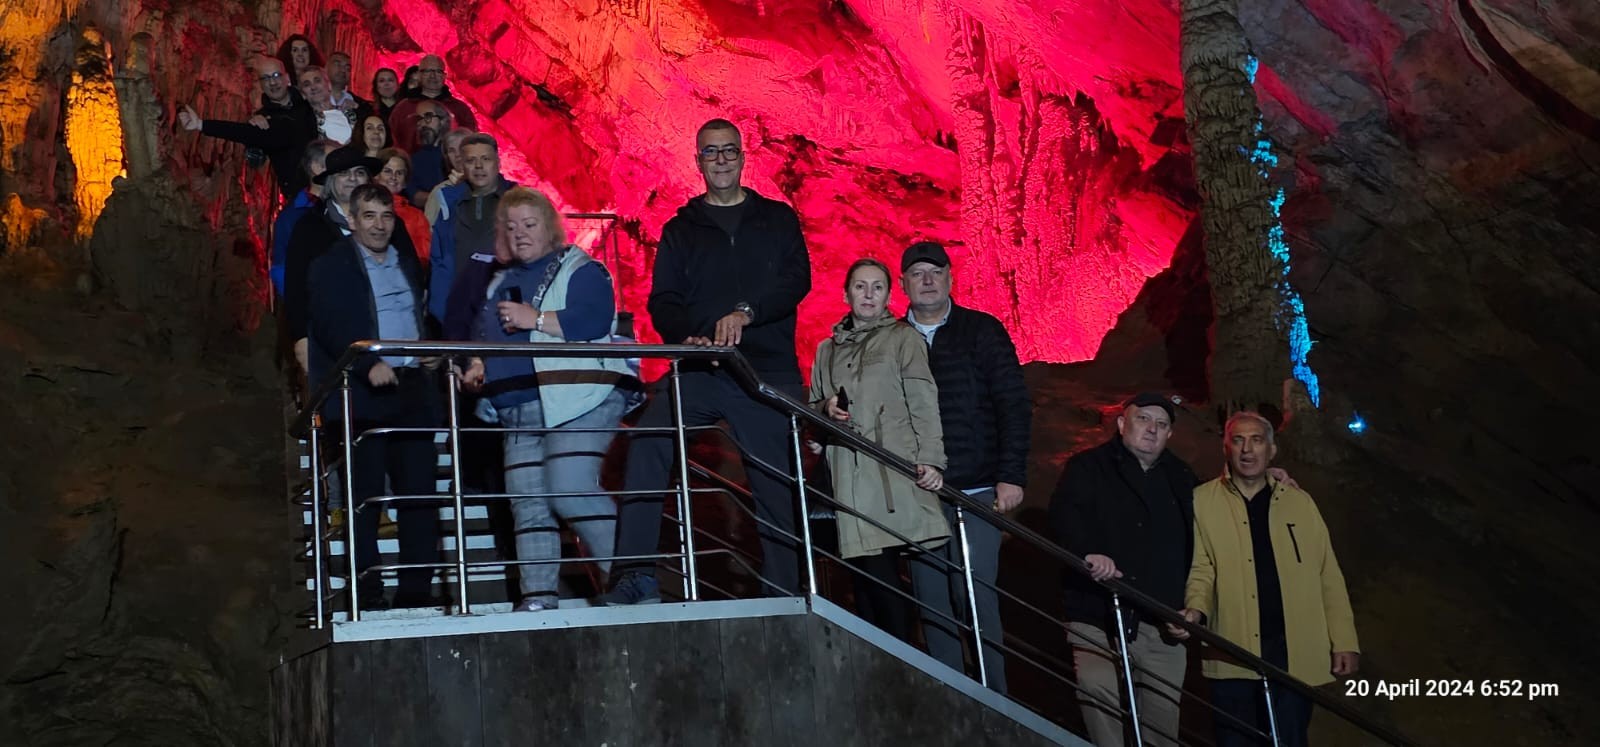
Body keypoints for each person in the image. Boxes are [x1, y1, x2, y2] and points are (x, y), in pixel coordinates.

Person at [602, 117, 812, 605]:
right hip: (702, 367)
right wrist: (687, 336)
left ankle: (783, 593)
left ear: (743, 157)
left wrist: (746, 313)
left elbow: (796, 279)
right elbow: (664, 300)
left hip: (764, 369)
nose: (721, 160)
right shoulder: (681, 230)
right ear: (698, 161)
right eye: (711, 152)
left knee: (775, 482)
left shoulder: (777, 219)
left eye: (729, 151)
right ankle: (635, 573)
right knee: (651, 438)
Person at [455, 187, 634, 612]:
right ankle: (537, 598)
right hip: (516, 409)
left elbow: (593, 320)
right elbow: (486, 335)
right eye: (511, 226)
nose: (519, 233)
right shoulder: (500, 280)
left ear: (550, 227)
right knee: (528, 505)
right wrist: (478, 364)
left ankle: (629, 585)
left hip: (575, 399)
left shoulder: (581, 268)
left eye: (529, 224)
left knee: (570, 489)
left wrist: (533, 319)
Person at [1173, 412, 1360, 747]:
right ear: (1226, 448)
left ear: (1271, 450)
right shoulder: (1202, 501)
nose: (1247, 449)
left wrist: (1344, 640)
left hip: (1293, 653)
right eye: (1238, 440)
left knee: (1289, 738)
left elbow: (1327, 574)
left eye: (1256, 440)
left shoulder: (1300, 503)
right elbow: (1202, 567)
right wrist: (1195, 609)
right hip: (1231, 651)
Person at [899, 241, 1031, 694]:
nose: (928, 280)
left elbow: (1012, 402)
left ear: (950, 278)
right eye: (918, 273)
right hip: (917, 492)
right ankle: (952, 699)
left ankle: (994, 699)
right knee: (932, 600)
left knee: (974, 594)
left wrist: (1010, 474)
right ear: (904, 284)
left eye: (935, 272)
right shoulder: (892, 339)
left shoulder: (981, 331)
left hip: (975, 489)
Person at [305, 182, 441, 610]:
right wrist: (367, 363)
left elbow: (416, 312)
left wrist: (429, 350)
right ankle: (366, 590)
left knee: (419, 493)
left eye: (386, 216)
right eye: (369, 216)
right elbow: (330, 321)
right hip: (362, 394)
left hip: (411, 387)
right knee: (364, 498)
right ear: (352, 220)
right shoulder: (332, 265)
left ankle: (416, 590)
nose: (379, 225)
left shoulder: (405, 260)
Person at [811, 257, 947, 640]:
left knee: (881, 572)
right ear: (846, 294)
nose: (868, 294)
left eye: (877, 287)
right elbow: (813, 404)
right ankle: (885, 660)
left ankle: (902, 657)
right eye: (860, 286)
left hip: (888, 474)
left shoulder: (903, 339)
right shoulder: (826, 350)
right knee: (863, 579)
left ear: (889, 295)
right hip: (846, 475)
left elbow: (923, 401)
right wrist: (825, 408)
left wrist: (932, 459)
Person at [1049, 393, 1195, 746]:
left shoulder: (1184, 479)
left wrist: (1195, 608)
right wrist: (1086, 553)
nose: (1152, 429)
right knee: (1097, 689)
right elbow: (1064, 517)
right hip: (1097, 613)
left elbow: (1206, 541)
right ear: (1121, 423)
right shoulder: (1088, 467)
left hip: (1161, 623)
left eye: (1161, 424)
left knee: (1162, 723)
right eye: (1143, 419)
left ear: (1169, 434)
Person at [284, 145, 421, 373]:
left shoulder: (390, 223)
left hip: (394, 343)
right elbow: (296, 288)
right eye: (344, 173)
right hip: (334, 346)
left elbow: (412, 276)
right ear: (330, 181)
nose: (352, 179)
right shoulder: (310, 227)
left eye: (359, 172)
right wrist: (301, 338)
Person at [176, 57, 316, 200]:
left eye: (276, 75)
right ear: (261, 84)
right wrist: (201, 124)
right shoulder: (264, 122)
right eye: (266, 78)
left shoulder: (310, 101)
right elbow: (240, 133)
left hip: (327, 181)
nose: (272, 82)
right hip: (302, 196)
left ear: (287, 78)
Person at [429, 133, 515, 328]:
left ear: (498, 163)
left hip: (503, 311)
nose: (478, 166)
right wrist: (438, 310)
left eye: (485, 159)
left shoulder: (517, 202)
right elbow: (438, 260)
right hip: (457, 312)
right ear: (462, 165)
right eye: (470, 160)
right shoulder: (448, 203)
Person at [271, 139, 338, 296]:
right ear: (316, 167)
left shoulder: (348, 207)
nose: (341, 169)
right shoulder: (292, 217)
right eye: (334, 162)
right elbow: (281, 269)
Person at [388, 55, 478, 157]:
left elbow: (471, 143)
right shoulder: (403, 108)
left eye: (438, 71)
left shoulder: (460, 109)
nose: (433, 76)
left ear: (444, 76)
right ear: (419, 75)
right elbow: (394, 142)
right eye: (427, 71)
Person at [373, 148, 431, 265]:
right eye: (387, 171)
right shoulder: (365, 209)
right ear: (376, 176)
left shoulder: (416, 216)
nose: (393, 177)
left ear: (405, 181)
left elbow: (424, 255)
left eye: (399, 173)